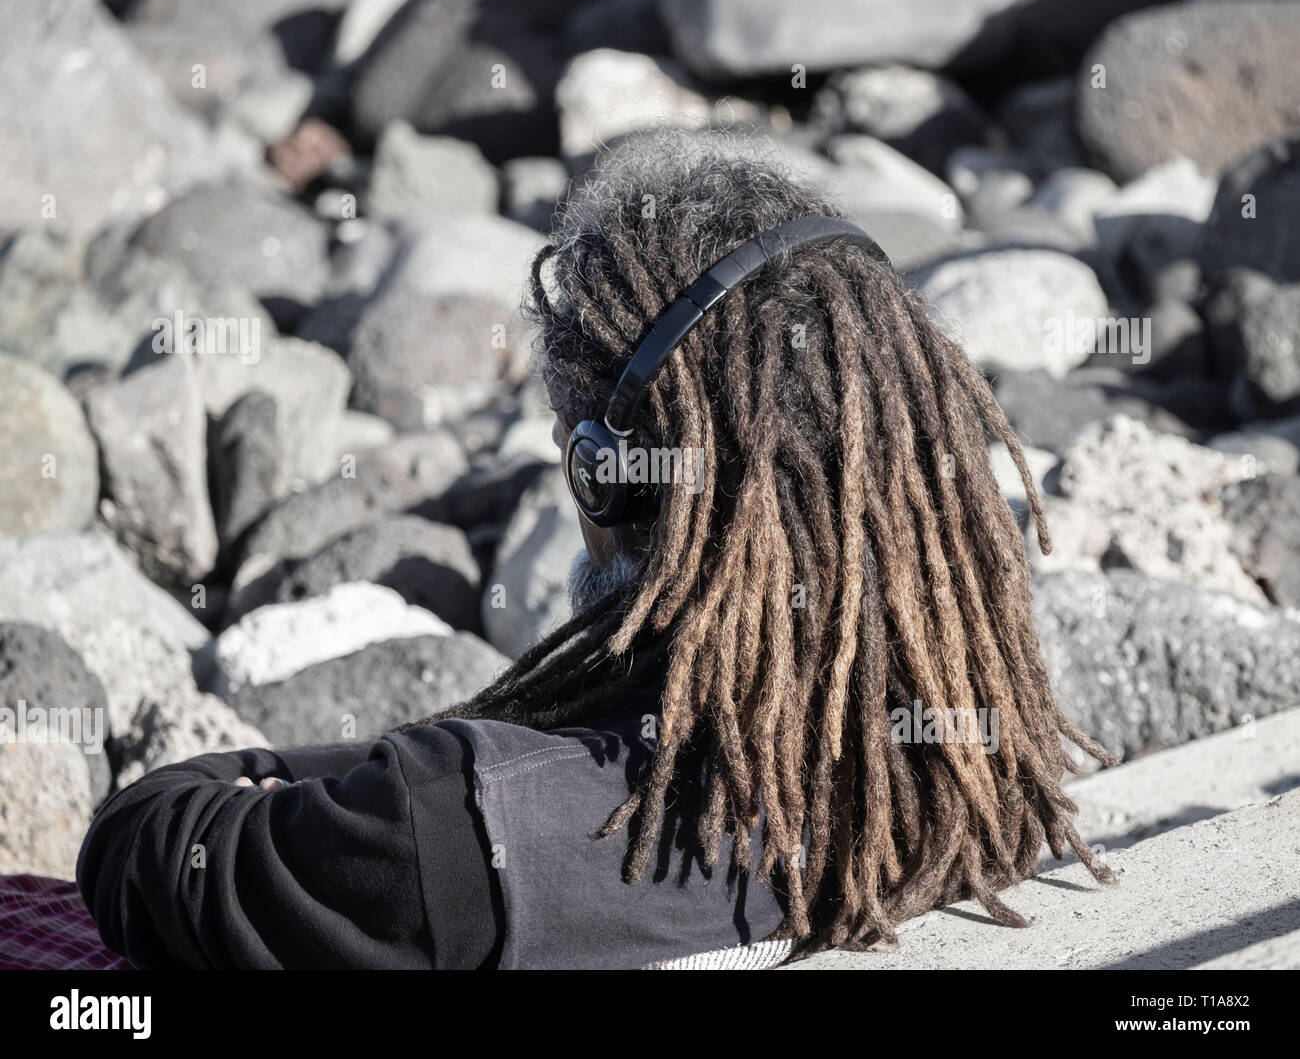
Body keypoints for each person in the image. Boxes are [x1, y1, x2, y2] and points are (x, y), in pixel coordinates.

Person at [74, 128, 1113, 970]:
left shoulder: (454, 824)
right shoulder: (965, 760)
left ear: (603, 473)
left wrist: (317, 771)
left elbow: (143, 847)